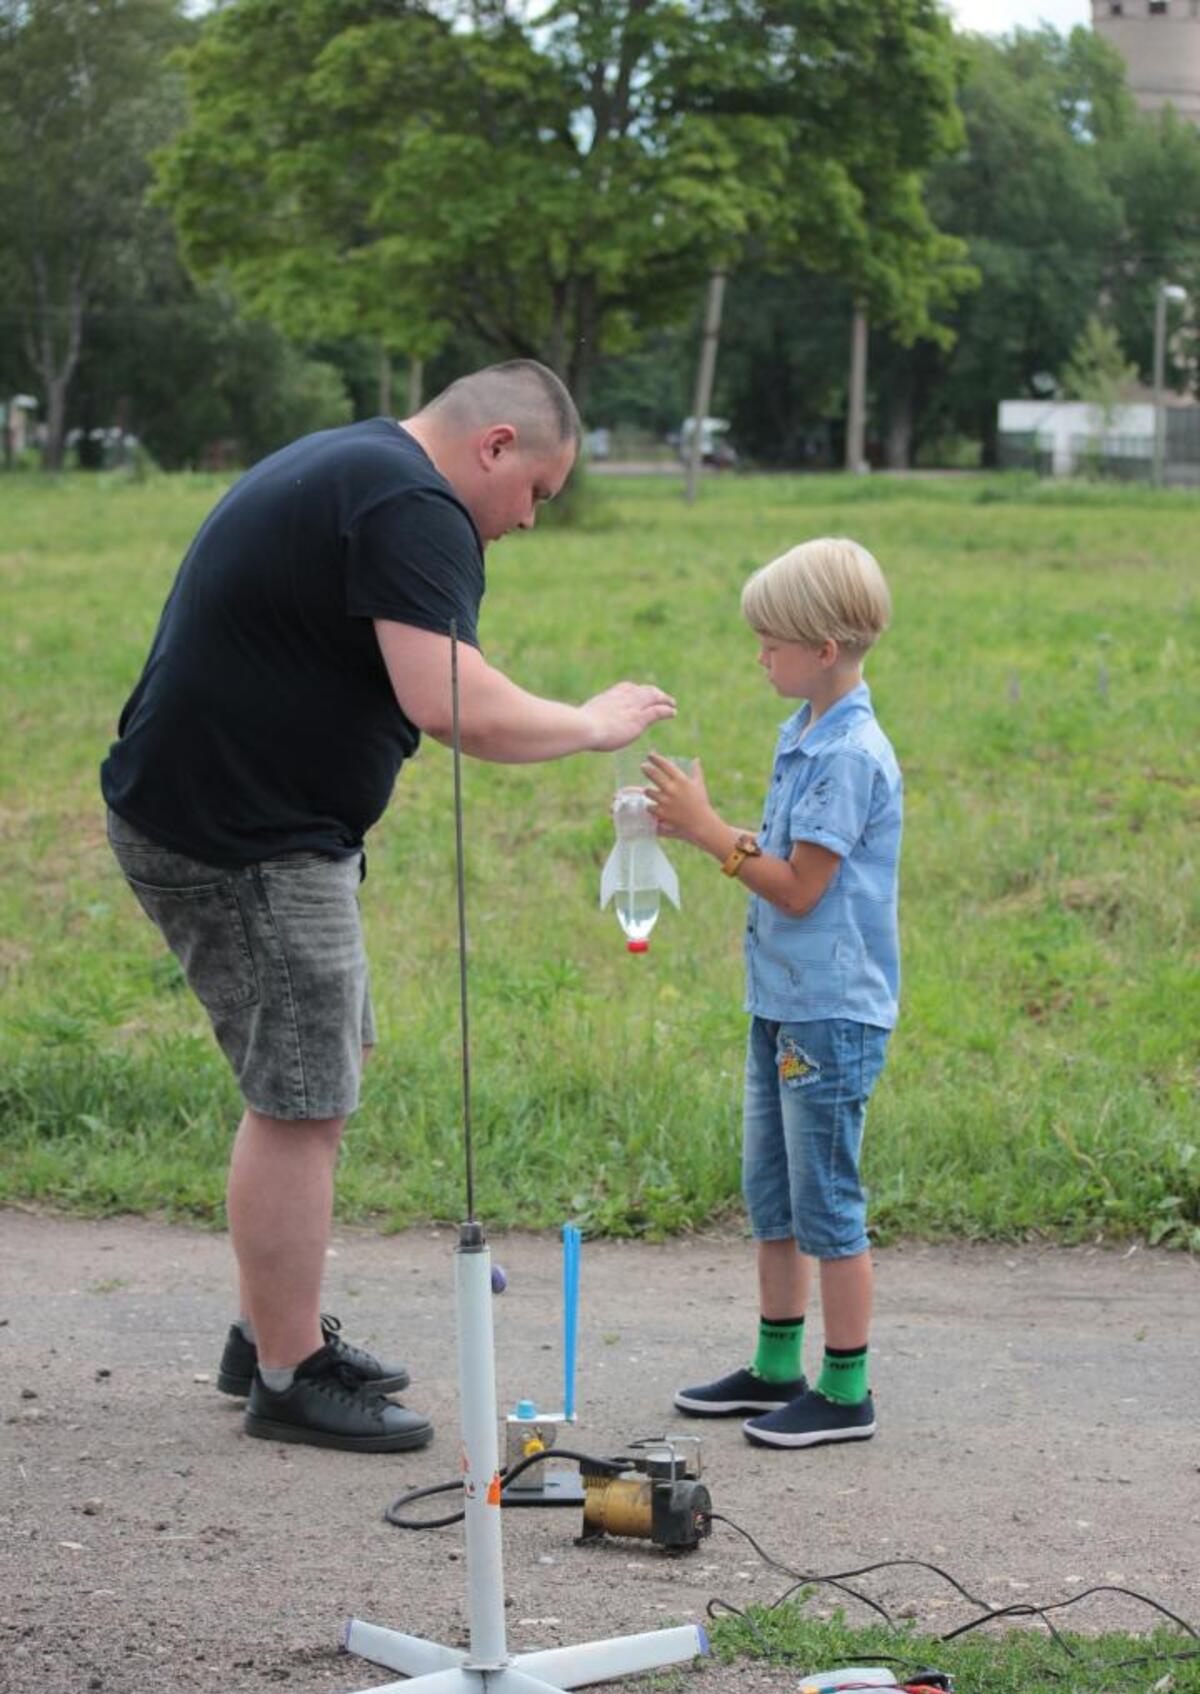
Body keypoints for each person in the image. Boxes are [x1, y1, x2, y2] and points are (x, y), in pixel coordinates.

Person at [100, 360, 675, 1454]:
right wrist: (592, 723)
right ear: (495, 446)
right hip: (244, 834)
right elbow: (449, 697)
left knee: (315, 1078)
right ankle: (286, 1373)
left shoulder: (364, 466)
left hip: (232, 814)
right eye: (537, 493)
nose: (529, 522)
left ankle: (270, 1329)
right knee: (303, 1099)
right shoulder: (411, 499)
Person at [644, 537, 900, 1449]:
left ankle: (846, 1389)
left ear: (824, 648)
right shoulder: (806, 736)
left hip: (830, 1013)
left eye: (772, 642)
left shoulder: (849, 756)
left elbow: (798, 888)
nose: (760, 656)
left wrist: (713, 834)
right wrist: (704, 828)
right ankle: (776, 1364)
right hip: (784, 1002)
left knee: (826, 1197)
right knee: (775, 1193)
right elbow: (792, 856)